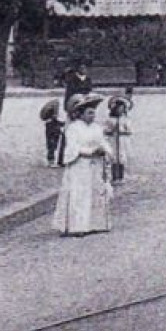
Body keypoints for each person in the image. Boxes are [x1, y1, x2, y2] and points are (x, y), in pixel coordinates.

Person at [53, 95, 113, 236]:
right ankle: (77, 226)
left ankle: (95, 224)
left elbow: (103, 142)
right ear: (80, 114)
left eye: (93, 113)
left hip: (95, 165)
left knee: (95, 192)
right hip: (80, 166)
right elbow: (73, 147)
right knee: (79, 195)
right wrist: (90, 151)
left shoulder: (96, 128)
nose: (92, 116)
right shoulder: (73, 128)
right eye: (89, 113)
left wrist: (105, 150)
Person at [103, 95, 133, 184]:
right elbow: (105, 130)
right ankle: (114, 176)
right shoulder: (110, 119)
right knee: (114, 157)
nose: (120, 110)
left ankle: (121, 176)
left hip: (122, 140)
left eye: (122, 109)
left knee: (121, 157)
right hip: (113, 140)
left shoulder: (125, 119)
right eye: (119, 108)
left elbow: (129, 130)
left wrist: (123, 131)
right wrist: (111, 130)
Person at [40, 97, 65, 168]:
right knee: (52, 146)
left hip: (54, 133)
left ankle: (51, 160)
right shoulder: (52, 122)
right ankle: (51, 161)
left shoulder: (49, 122)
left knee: (52, 146)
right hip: (53, 134)